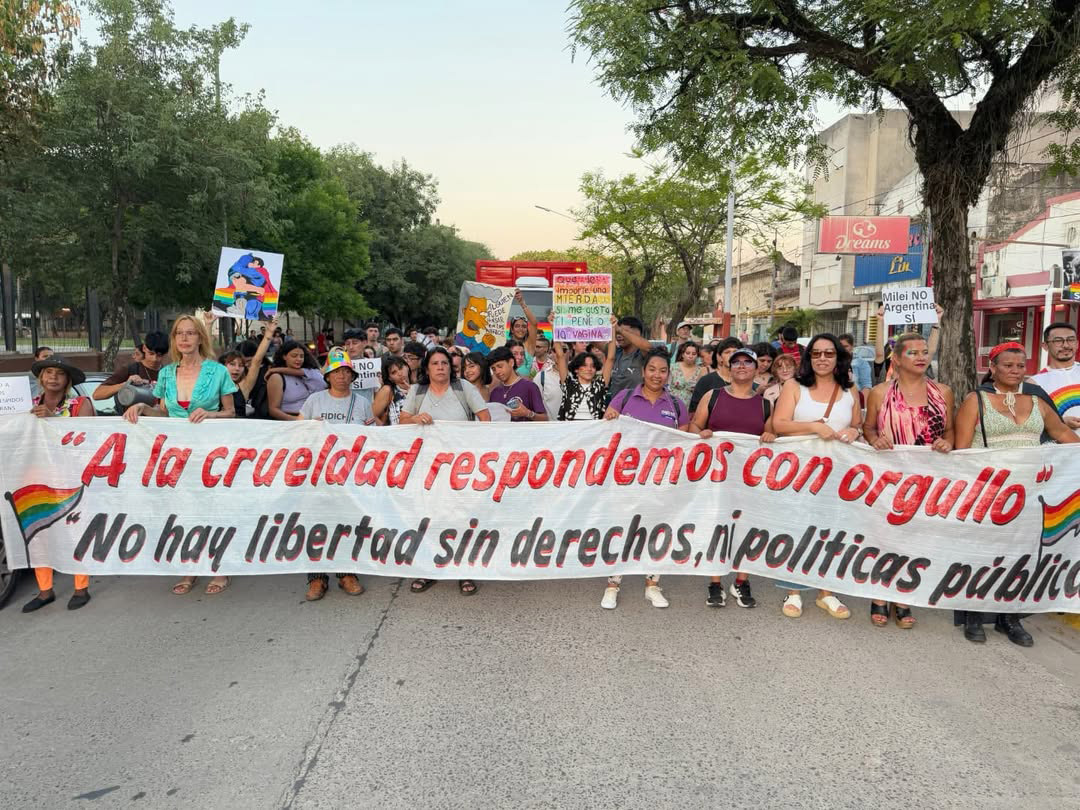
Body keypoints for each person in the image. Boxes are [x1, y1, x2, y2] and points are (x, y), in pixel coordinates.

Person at [954, 342, 1079, 646]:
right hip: (989, 490)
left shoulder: (1036, 400)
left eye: (1020, 366)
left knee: (1020, 555)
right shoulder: (976, 400)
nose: (1014, 371)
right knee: (983, 553)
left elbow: (1061, 434)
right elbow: (962, 448)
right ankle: (974, 613)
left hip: (1030, 492)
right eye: (1007, 365)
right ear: (993, 368)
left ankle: (1009, 618)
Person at [123, 315, 236, 596]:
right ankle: (191, 565)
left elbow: (232, 412)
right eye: (179, 334)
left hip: (211, 452)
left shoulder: (218, 371)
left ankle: (218, 566)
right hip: (176, 454)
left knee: (212, 509)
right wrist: (142, 409)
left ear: (200, 337)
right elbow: (162, 411)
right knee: (184, 509)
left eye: (190, 333)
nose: (184, 339)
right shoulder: (165, 374)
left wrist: (211, 414)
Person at [862, 332, 956, 630]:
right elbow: (867, 428)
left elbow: (951, 431)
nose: (921, 357)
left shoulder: (943, 391)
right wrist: (875, 439)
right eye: (913, 352)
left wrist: (946, 442)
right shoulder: (879, 393)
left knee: (916, 537)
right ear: (897, 359)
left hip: (928, 477)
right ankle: (879, 594)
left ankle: (903, 596)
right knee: (885, 535)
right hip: (889, 476)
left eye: (925, 351)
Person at [772, 333, 862, 621]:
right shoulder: (794, 386)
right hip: (799, 472)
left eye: (829, 353)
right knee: (798, 528)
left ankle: (827, 591)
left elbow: (858, 424)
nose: (822, 359)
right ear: (809, 358)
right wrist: (813, 427)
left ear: (839, 358)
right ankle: (794, 591)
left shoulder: (851, 390)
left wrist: (854, 431)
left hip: (838, 474)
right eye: (817, 354)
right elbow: (779, 424)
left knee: (833, 529)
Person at [601, 347, 690, 610]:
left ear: (668, 374)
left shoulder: (676, 405)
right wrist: (609, 419)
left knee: (657, 530)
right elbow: (605, 432)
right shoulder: (624, 397)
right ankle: (613, 584)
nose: (657, 375)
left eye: (663, 371)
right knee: (622, 529)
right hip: (626, 479)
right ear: (643, 371)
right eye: (652, 369)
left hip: (661, 480)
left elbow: (684, 443)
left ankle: (653, 584)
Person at [401, 348, 491, 596]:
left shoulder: (463, 388)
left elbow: (485, 417)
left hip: (461, 467)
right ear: (427, 368)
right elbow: (403, 420)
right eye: (435, 363)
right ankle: (428, 568)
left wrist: (477, 449)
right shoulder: (417, 391)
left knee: (462, 516)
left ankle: (464, 570)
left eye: (445, 363)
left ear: (451, 367)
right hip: (427, 467)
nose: (441, 367)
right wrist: (416, 418)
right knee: (429, 516)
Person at [690, 347, 773, 610]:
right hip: (716, 478)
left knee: (746, 528)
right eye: (736, 361)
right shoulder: (712, 396)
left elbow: (772, 439)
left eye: (747, 362)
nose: (741, 366)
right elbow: (694, 426)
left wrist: (771, 437)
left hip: (750, 480)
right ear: (728, 365)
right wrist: (700, 434)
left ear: (756, 368)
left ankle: (741, 580)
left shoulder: (765, 404)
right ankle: (715, 582)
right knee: (717, 527)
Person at [298, 347, 372, 601]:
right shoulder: (314, 401)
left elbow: (372, 436)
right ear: (327, 376)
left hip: (350, 476)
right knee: (316, 524)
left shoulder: (362, 403)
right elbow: (299, 430)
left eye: (345, 372)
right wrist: (310, 428)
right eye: (336, 372)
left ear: (352, 376)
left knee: (347, 523)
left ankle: (346, 573)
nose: (341, 376)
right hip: (318, 474)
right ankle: (317, 577)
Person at [22, 355, 95, 613]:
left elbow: (88, 438)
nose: (53, 377)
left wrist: (53, 419)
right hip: (34, 477)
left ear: (68, 380)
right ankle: (45, 591)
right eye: (48, 372)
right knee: (38, 533)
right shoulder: (25, 404)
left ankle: (81, 587)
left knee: (74, 530)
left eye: (59, 373)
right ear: (41, 377)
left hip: (70, 476)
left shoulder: (80, 403)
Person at [1030, 321, 1080, 431]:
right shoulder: (1034, 382)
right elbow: (1029, 421)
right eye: (1058, 341)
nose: (1066, 345)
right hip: (1059, 446)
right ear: (1045, 346)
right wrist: (1060, 422)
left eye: (1070, 340)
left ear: (1077, 343)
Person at [553, 334, 615, 420]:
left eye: (592, 366)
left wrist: (612, 329)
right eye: (584, 365)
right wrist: (554, 326)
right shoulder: (569, 384)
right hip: (570, 430)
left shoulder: (599, 385)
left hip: (594, 430)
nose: (589, 369)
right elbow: (560, 356)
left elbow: (610, 358)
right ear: (576, 369)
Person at [93, 331, 169, 401]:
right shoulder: (131, 369)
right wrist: (126, 384)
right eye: (151, 353)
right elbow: (97, 394)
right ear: (144, 348)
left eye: (159, 355)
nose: (154, 359)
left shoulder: (169, 373)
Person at [266, 340, 326, 421]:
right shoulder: (277, 377)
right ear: (284, 356)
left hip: (312, 418)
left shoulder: (307, 373)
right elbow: (273, 410)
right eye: (294, 356)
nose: (299, 359)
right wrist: (298, 420)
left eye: (301, 356)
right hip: (291, 421)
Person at [487, 346, 547, 422]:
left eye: (500, 366)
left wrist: (528, 413)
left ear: (511, 362)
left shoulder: (529, 387)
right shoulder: (494, 393)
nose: (497, 372)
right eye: (493, 369)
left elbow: (545, 418)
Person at [688, 336, 743, 413]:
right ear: (720, 357)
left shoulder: (746, 381)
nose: (732, 355)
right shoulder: (706, 381)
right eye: (727, 352)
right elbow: (694, 412)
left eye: (735, 352)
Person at [609, 316, 653, 396]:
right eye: (617, 332)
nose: (619, 335)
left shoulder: (643, 354)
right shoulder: (615, 352)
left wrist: (620, 329)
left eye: (624, 331)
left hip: (637, 407)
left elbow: (648, 347)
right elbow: (595, 339)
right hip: (615, 408)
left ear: (638, 333)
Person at [373, 355, 412, 425]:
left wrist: (411, 392)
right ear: (390, 378)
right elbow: (371, 415)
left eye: (401, 368)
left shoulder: (419, 387)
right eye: (394, 372)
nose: (400, 373)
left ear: (407, 367)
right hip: (395, 434)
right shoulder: (387, 390)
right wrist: (385, 431)